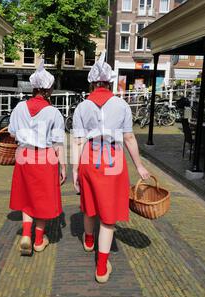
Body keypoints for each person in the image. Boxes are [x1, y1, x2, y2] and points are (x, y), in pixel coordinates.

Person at [72, 52, 151, 283]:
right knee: (108, 216)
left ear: (92, 82)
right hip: (113, 160)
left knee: (88, 203)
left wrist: (76, 170)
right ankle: (101, 266)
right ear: (109, 82)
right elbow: (129, 138)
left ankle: (88, 240)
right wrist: (140, 166)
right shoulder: (122, 105)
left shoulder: (81, 107)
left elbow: (77, 141)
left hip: (89, 158)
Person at [9, 59, 66, 256]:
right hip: (45, 156)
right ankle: (39, 240)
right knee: (42, 197)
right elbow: (58, 143)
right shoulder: (54, 113)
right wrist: (63, 167)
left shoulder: (19, 108)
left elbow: (13, 134)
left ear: (34, 87)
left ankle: (26, 234)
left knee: (27, 195)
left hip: (24, 155)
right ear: (48, 90)